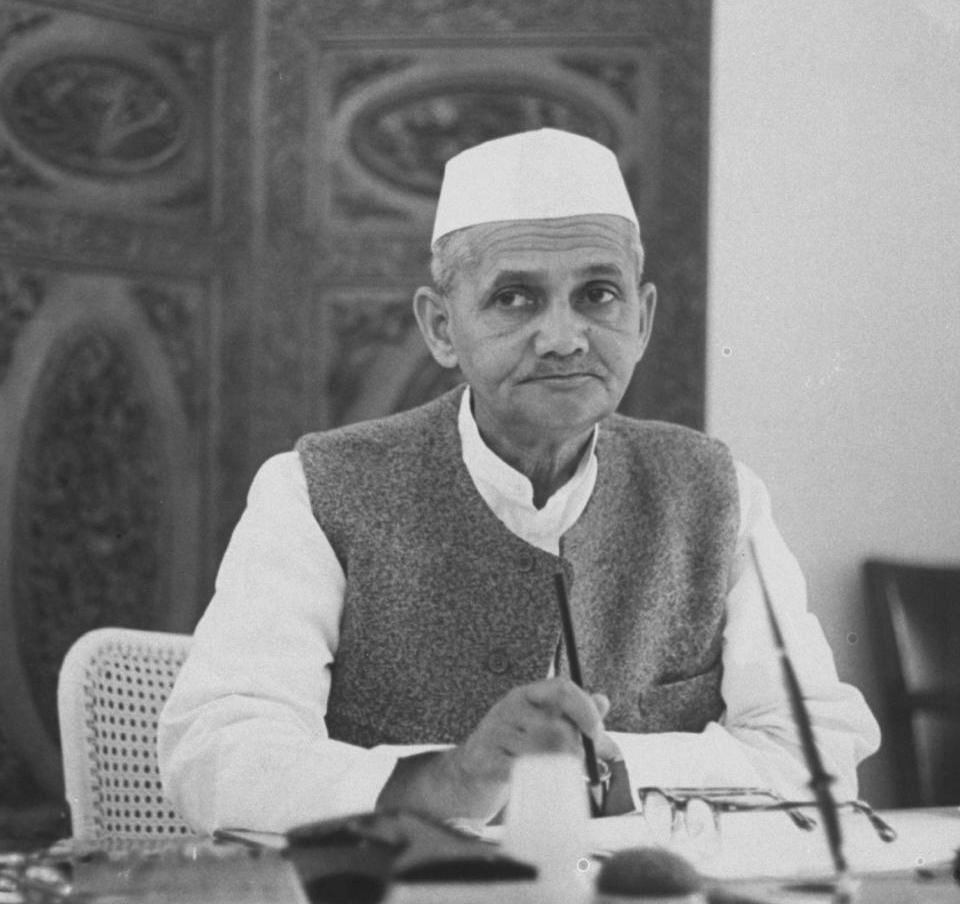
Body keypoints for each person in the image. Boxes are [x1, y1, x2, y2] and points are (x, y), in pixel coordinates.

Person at [158, 128, 879, 834]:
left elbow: (813, 753)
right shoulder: (314, 491)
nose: (564, 337)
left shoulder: (719, 495)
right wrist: (451, 778)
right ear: (442, 327)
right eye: (515, 298)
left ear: (643, 318)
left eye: (598, 294)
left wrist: (610, 769)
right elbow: (217, 753)